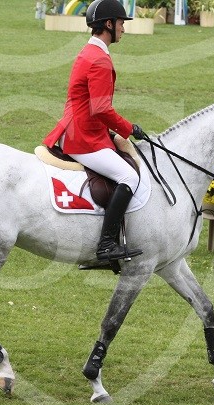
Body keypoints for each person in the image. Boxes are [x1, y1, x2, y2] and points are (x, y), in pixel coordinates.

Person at [43, 0, 145, 262]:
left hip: (79, 128)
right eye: (121, 23)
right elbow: (101, 108)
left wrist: (109, 133)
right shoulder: (98, 59)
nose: (124, 28)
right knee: (129, 176)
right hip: (83, 138)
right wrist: (128, 128)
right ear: (108, 25)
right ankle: (107, 244)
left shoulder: (88, 52)